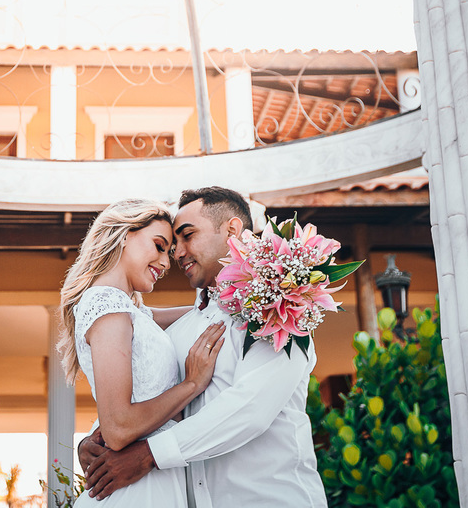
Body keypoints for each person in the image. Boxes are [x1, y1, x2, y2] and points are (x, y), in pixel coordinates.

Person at [79, 186, 328, 507]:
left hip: (269, 498)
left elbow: (250, 409)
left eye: (187, 235)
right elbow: (151, 397)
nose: (177, 253)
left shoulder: (281, 310)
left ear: (233, 230)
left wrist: (148, 455)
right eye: (171, 244)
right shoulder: (178, 332)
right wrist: (97, 441)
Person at [58, 198, 227, 507]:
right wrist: (191, 384)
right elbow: (118, 428)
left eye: (169, 251)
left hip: (155, 478)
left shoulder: (130, 310)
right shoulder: (107, 306)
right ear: (125, 235)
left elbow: (199, 312)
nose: (166, 263)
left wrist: (247, 286)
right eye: (159, 246)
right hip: (136, 488)